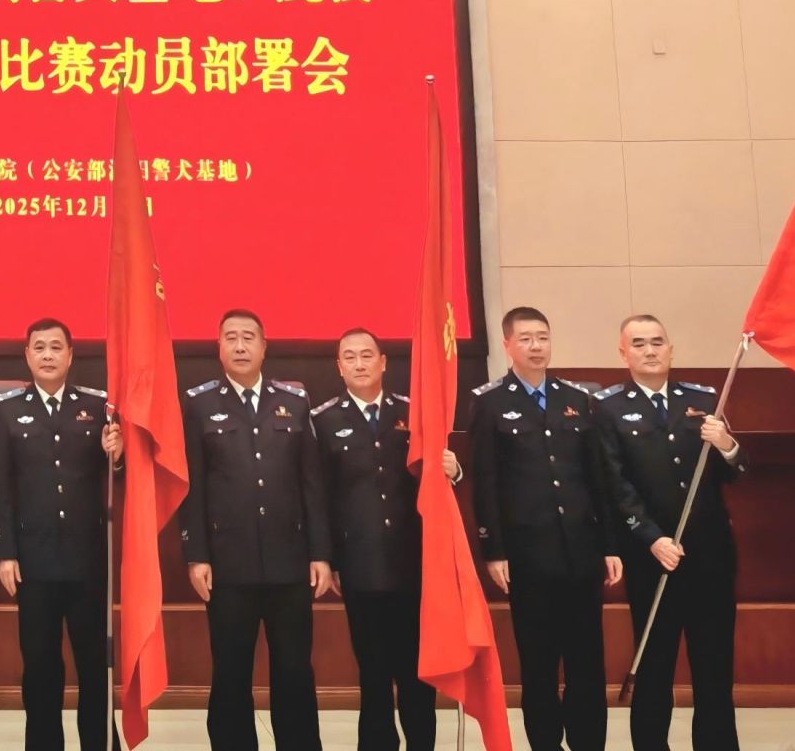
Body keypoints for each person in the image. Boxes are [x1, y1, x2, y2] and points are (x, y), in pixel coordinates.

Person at [463, 305, 621, 751]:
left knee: (587, 660)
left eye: (543, 337)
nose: (536, 346)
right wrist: (494, 550)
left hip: (581, 551)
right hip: (527, 555)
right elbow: (485, 482)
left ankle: (588, 742)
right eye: (526, 339)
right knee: (539, 662)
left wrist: (610, 544)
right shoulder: (490, 402)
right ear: (507, 345)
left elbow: (598, 478)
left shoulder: (577, 398)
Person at [179, 308, 332, 751]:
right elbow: (192, 485)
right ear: (219, 348)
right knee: (231, 672)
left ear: (264, 347)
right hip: (228, 564)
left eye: (249, 337)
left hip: (290, 562)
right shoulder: (199, 404)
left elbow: (311, 484)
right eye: (231, 337)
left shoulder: (294, 401)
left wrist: (320, 553)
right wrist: (196, 554)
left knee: (294, 670)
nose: (240, 345)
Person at [594, 314, 745, 751]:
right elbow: (614, 484)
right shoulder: (607, 408)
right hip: (652, 560)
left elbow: (736, 472)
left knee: (714, 668)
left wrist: (727, 445)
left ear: (671, 349)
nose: (650, 350)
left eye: (658, 342)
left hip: (710, 558)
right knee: (654, 669)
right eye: (639, 344)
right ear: (623, 353)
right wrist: (651, 538)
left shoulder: (703, 399)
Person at [311, 327, 463, 751]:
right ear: (339, 367)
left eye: (367, 355)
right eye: (350, 357)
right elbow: (318, 496)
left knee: (416, 673)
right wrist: (327, 558)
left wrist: (454, 471)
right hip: (358, 565)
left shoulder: (415, 413)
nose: (359, 364)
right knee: (374, 674)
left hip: (413, 563)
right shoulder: (323, 421)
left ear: (383, 362)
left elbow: (436, 482)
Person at [0, 317, 126, 751]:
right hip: (33, 562)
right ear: (27, 356)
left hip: (88, 562)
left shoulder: (98, 407)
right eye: (39, 347)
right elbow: (0, 487)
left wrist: (117, 456)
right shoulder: (8, 410)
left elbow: (118, 479)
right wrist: (5, 552)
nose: (47, 355)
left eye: (55, 347)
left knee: (94, 667)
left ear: (70, 355)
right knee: (41, 668)